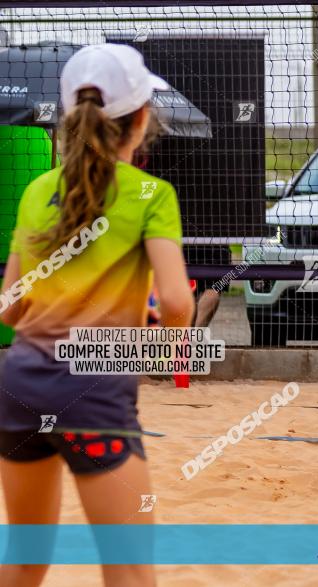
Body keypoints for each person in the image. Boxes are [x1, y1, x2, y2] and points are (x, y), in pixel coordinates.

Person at [0, 44, 194, 585]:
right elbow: (178, 302)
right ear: (142, 119)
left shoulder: (38, 190)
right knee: (129, 570)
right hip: (91, 391)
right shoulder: (151, 194)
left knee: (24, 557)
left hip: (18, 387)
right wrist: (162, 342)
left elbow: (11, 309)